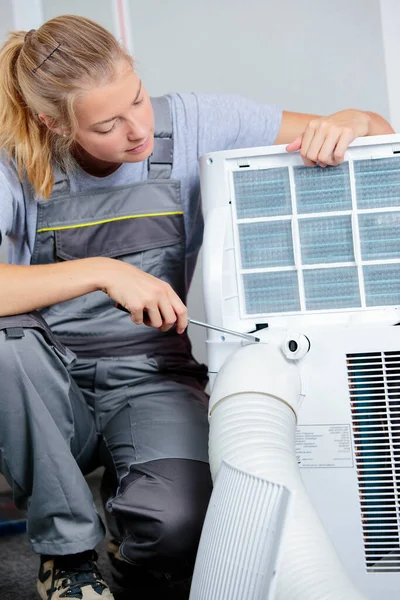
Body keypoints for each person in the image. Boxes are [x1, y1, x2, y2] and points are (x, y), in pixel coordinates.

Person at [0, 14, 393, 600]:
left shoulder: (193, 120)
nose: (136, 130)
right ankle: (68, 555)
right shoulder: (16, 159)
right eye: (107, 124)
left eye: (136, 99)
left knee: (177, 530)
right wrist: (107, 271)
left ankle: (129, 525)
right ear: (51, 122)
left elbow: (377, 131)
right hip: (47, 382)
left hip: (150, 378)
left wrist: (350, 121)